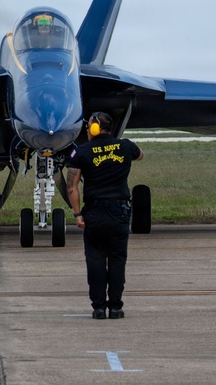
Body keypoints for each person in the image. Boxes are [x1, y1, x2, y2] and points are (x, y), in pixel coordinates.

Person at [65, 111, 143, 319]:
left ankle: (99, 307)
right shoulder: (126, 146)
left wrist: (77, 214)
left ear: (93, 129)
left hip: (95, 213)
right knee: (118, 259)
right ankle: (116, 307)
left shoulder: (81, 152)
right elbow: (141, 154)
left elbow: (71, 186)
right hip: (119, 211)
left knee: (95, 259)